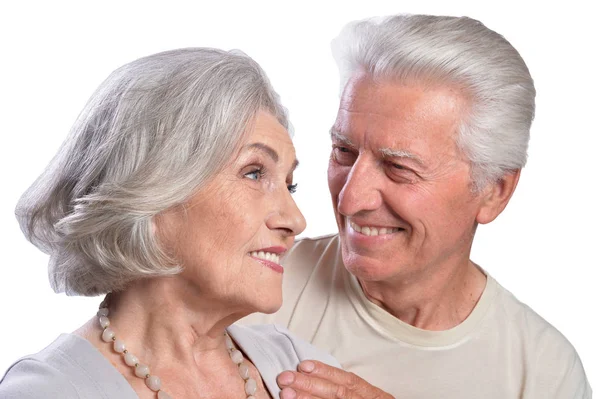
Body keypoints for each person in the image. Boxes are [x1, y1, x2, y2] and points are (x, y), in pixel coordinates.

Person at [241, 14, 593, 399]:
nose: (350, 199)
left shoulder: (544, 374)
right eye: (344, 151)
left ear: (494, 191)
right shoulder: (247, 288)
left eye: (398, 168)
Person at [0, 48, 340, 399]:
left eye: (290, 184)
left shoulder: (300, 368)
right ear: (151, 185)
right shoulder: (49, 391)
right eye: (254, 173)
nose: (296, 220)